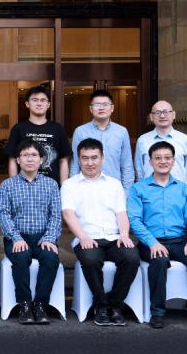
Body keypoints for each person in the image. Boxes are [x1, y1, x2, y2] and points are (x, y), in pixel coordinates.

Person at [128, 141, 187, 330]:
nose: (163, 161)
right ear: (150, 162)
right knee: (159, 260)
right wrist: (152, 243)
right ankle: (158, 313)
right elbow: (135, 221)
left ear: (173, 161)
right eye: (158, 158)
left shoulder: (183, 188)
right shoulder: (138, 188)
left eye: (167, 158)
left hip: (180, 241)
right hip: (150, 243)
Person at [62, 138, 139, 327]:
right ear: (78, 159)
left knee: (131, 257)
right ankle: (101, 305)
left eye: (94, 157)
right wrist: (83, 237)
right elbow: (68, 214)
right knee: (90, 259)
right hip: (87, 237)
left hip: (114, 237)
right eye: (85, 158)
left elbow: (121, 213)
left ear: (102, 158)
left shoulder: (114, 184)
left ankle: (115, 304)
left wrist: (124, 234)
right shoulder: (69, 185)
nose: (90, 163)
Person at [0, 140, 62, 325]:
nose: (30, 159)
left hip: (43, 238)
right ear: (18, 160)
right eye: (25, 155)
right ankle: (25, 304)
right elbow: (3, 215)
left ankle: (40, 304)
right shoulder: (7, 185)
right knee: (21, 257)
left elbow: (55, 215)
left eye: (34, 155)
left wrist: (50, 238)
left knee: (50, 259)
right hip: (17, 237)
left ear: (41, 159)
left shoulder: (51, 185)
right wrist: (16, 238)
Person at [70, 90, 135, 191]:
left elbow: (127, 165)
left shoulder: (121, 132)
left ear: (112, 108)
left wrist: (126, 193)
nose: (101, 108)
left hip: (114, 189)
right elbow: (75, 163)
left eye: (105, 104)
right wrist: (73, 188)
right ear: (91, 109)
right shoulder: (80, 132)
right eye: (97, 105)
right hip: (86, 188)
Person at [6, 85, 72, 185]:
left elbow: (63, 160)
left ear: (48, 104)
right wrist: (14, 186)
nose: (39, 103)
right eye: (35, 100)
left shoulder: (58, 129)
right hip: (23, 186)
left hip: (51, 186)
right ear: (27, 104)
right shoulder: (18, 128)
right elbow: (12, 160)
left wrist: (63, 187)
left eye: (43, 100)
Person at [134, 100, 187, 183]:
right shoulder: (142, 140)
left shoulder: (185, 139)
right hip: (149, 189)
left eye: (166, 112)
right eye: (157, 112)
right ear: (151, 116)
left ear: (173, 115)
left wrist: (183, 186)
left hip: (177, 189)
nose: (162, 116)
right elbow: (139, 169)